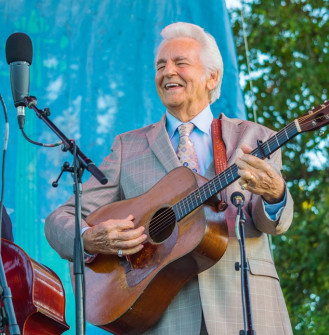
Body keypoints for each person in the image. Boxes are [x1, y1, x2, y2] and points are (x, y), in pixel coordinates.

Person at [45, 22, 294, 335]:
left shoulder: (254, 138)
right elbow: (60, 219)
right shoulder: (128, 147)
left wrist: (275, 195)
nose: (167, 72)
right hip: (162, 318)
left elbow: (271, 222)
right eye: (160, 65)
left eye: (181, 63)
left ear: (212, 77)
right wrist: (88, 238)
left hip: (246, 310)